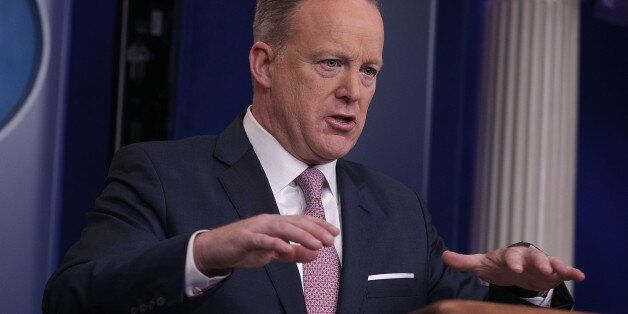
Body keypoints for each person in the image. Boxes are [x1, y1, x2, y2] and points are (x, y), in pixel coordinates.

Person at [43, 0, 585, 313]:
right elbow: (71, 300)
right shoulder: (160, 176)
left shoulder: (398, 209)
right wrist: (204, 254)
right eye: (331, 63)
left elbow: (472, 307)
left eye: (368, 70)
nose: (354, 91)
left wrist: (528, 289)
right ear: (264, 64)